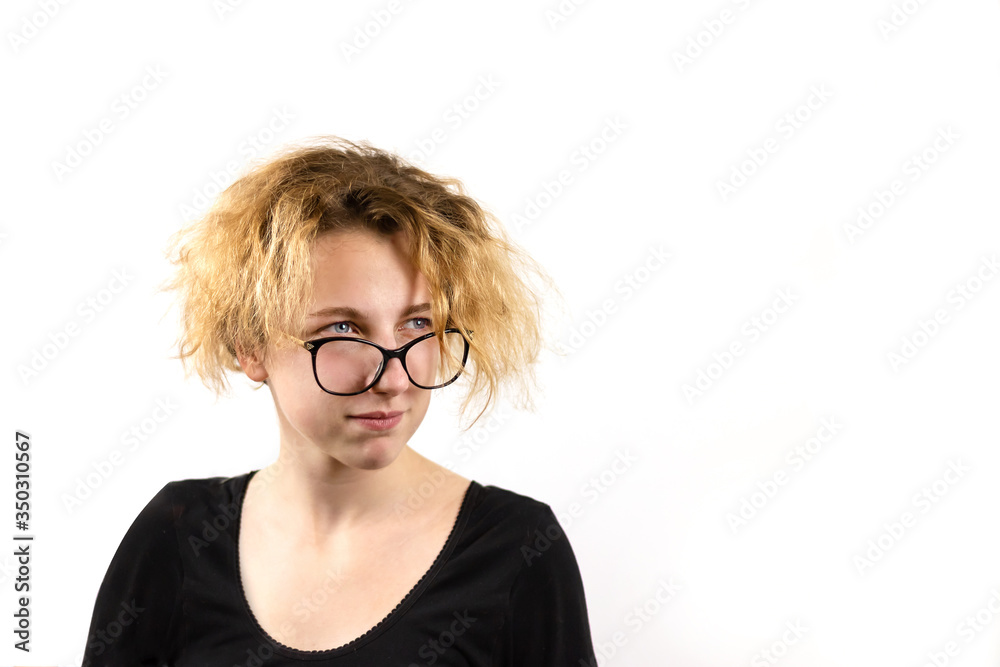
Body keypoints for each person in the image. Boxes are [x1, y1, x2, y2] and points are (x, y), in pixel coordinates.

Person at [81, 136, 598, 665]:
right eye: (345, 328)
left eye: (417, 322)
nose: (392, 376)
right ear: (251, 347)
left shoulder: (516, 550)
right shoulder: (178, 535)